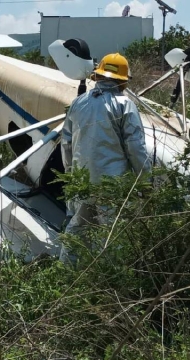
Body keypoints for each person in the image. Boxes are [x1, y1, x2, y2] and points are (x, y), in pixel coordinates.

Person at [60, 52, 151, 260]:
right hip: (112, 185)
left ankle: (65, 273)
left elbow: (66, 145)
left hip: (82, 181)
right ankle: (110, 283)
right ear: (122, 82)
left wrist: (70, 177)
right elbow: (136, 149)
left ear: (98, 76)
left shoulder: (78, 103)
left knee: (77, 230)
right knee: (114, 237)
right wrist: (145, 182)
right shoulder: (125, 105)